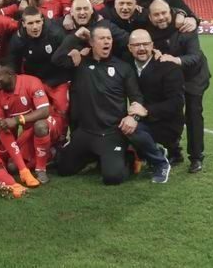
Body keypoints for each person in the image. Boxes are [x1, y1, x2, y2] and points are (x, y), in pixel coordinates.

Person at [52, 24, 171, 185]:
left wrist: (133, 117)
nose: (107, 41)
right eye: (102, 38)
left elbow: (136, 97)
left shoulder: (123, 68)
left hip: (112, 133)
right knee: (63, 169)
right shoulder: (81, 64)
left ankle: (129, 157)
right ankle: (95, 156)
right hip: (86, 132)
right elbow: (57, 59)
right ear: (92, 43)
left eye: (109, 38)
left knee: (112, 178)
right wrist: (74, 37)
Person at [147, 0, 211, 173]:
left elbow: (195, 56)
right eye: (156, 15)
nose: (161, 18)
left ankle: (196, 157)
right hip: (170, 77)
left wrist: (175, 60)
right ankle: (175, 152)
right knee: (169, 111)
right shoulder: (149, 30)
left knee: (193, 112)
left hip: (194, 76)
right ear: (150, 18)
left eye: (164, 13)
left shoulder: (185, 27)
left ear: (171, 13)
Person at [8, 7, 69, 144]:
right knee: (36, 112)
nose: (35, 27)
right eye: (30, 23)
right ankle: (33, 141)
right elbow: (13, 62)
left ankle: (61, 138)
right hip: (35, 80)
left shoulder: (55, 33)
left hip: (58, 78)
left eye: (37, 22)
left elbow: (68, 53)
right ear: (23, 24)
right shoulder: (18, 39)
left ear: (42, 20)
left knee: (62, 109)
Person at [0, 59, 52, 187]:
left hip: (49, 124)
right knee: (12, 167)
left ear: (10, 75)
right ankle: (31, 166)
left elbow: (45, 111)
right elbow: (2, 122)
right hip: (28, 133)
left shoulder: (31, 82)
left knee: (40, 126)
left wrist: (17, 120)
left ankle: (41, 169)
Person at [127, 29, 185, 160]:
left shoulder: (169, 68)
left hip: (166, 123)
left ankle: (165, 150)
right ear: (129, 48)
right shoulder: (126, 66)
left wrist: (146, 111)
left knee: (132, 131)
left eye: (145, 44)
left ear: (152, 46)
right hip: (141, 119)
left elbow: (176, 103)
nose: (142, 48)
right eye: (136, 45)